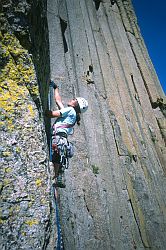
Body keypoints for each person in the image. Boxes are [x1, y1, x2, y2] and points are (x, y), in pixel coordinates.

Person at [46, 80, 88, 188]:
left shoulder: (70, 110)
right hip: (61, 139)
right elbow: (58, 101)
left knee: (54, 159)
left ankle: (54, 177)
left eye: (74, 100)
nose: (72, 99)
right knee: (56, 158)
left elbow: (53, 114)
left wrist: (42, 110)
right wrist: (55, 87)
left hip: (58, 138)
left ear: (76, 105)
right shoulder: (72, 114)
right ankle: (57, 175)